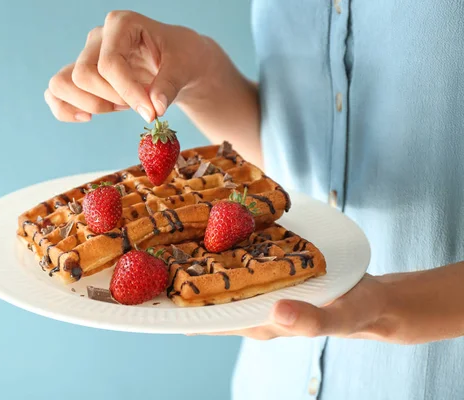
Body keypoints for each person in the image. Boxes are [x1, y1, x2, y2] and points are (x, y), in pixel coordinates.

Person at [44, 3, 464, 399]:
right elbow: (284, 156)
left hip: (422, 379)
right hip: (272, 380)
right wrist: (202, 72)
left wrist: (391, 305)